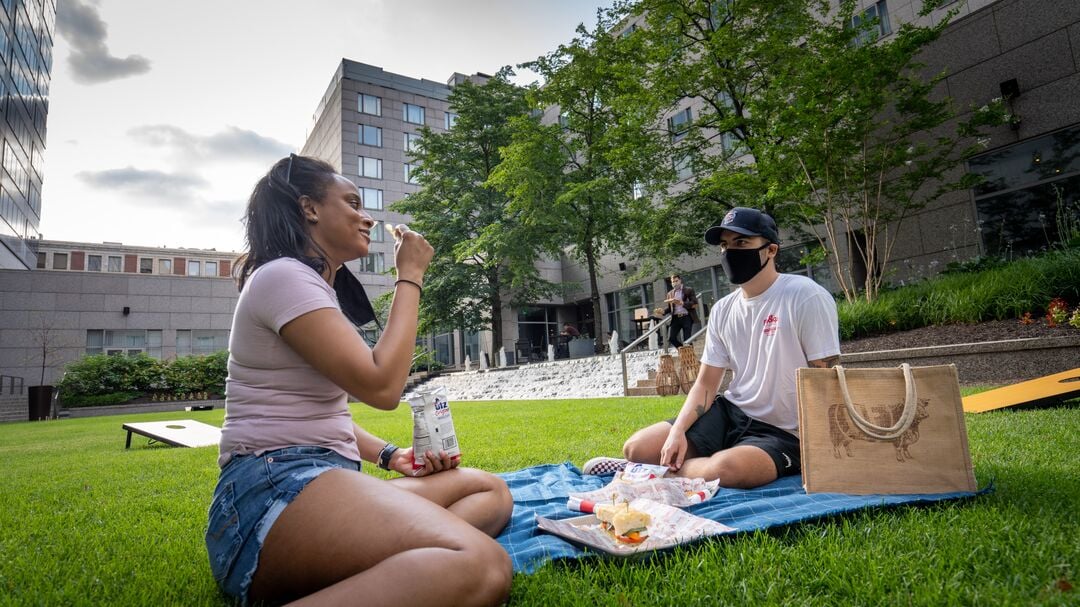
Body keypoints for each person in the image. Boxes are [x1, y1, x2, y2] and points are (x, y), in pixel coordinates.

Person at [205, 155, 512, 606]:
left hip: (318, 477)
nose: (367, 216)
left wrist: (390, 456)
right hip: (270, 494)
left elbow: (313, 412)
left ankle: (396, 564)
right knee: (483, 567)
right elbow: (382, 387)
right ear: (309, 209)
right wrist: (411, 275)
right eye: (352, 203)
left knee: (491, 491)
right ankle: (423, 561)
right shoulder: (283, 276)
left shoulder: (309, 285)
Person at [584, 207, 840, 489]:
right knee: (637, 447)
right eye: (724, 245)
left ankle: (650, 472)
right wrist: (678, 431)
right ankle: (647, 464)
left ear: (771, 250)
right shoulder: (723, 309)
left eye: (741, 243)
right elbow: (706, 382)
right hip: (731, 412)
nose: (730, 252)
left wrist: (821, 445)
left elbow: (825, 377)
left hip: (785, 431)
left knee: (728, 468)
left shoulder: (805, 295)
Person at [654, 274, 699, 348]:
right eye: (672, 282)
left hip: (686, 317)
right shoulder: (670, 294)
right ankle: (683, 352)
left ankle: (690, 357)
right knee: (671, 338)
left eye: (676, 281)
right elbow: (669, 308)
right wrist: (662, 312)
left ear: (680, 280)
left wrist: (682, 303)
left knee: (687, 340)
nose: (674, 283)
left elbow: (695, 304)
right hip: (675, 318)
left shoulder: (688, 290)